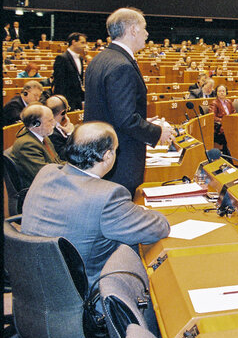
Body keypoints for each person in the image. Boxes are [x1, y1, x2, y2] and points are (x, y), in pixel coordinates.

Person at [21, 122, 170, 289]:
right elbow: (159, 228)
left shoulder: (46, 172)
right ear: (107, 156)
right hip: (87, 295)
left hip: (33, 285)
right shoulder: (107, 196)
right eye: (116, 150)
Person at [84, 8, 173, 195]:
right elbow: (125, 120)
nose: (147, 34)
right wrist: (157, 132)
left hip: (100, 154)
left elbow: (111, 110)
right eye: (144, 28)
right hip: (120, 161)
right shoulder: (121, 66)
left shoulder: (99, 59)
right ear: (133, 30)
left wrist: (145, 122)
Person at [8, 104, 62, 189]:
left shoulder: (43, 137)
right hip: (40, 189)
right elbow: (44, 175)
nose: (54, 123)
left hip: (52, 181)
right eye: (50, 121)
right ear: (36, 124)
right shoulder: (26, 145)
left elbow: (57, 162)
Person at [52, 32, 87, 110]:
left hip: (77, 100)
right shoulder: (61, 58)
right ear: (73, 42)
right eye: (82, 43)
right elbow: (59, 83)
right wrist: (62, 103)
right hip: (67, 100)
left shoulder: (80, 59)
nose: (85, 45)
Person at [211, 84, 234, 156]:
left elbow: (234, 112)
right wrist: (224, 121)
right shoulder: (214, 103)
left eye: (223, 91)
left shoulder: (229, 102)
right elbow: (212, 117)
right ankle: (228, 155)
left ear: (226, 92)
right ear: (216, 93)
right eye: (219, 91)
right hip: (220, 128)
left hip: (231, 124)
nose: (221, 93)